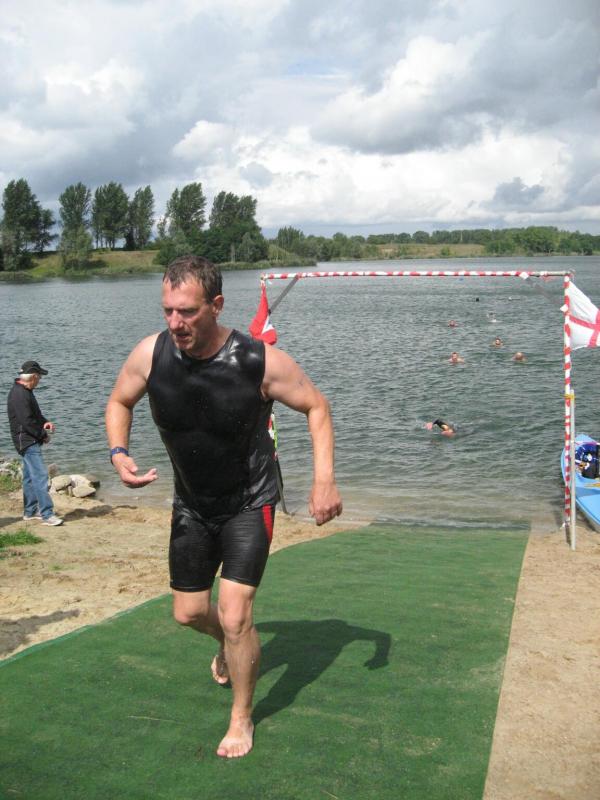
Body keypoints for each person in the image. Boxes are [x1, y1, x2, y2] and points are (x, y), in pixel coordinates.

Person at [105, 255, 343, 760]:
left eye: (188, 312)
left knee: (236, 617)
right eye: (168, 310)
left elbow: (317, 407)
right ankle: (229, 645)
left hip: (249, 502)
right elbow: (119, 401)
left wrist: (323, 480)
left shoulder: (258, 362)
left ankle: (241, 717)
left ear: (216, 305)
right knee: (189, 613)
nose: (176, 323)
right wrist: (119, 452)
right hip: (192, 505)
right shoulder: (150, 355)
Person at [7, 360, 63, 526]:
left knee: (30, 477)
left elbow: (35, 415)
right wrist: (42, 435)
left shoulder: (26, 391)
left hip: (28, 439)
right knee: (40, 476)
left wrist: (45, 422)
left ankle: (30, 511)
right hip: (26, 440)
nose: (40, 380)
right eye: (39, 377)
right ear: (33, 377)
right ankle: (47, 514)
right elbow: (27, 421)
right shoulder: (19, 394)